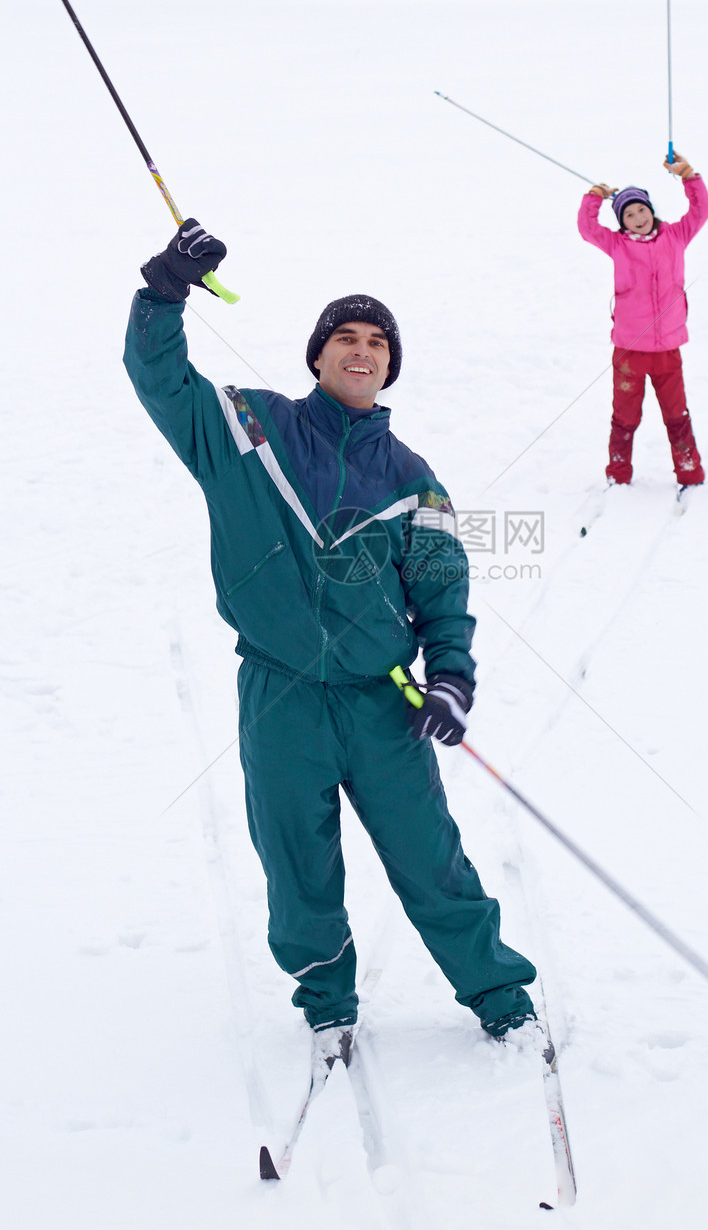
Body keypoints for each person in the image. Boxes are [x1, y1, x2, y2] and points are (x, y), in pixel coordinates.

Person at [123, 220, 536, 1046]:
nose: (361, 350)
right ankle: (328, 1006)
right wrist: (165, 291)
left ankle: (499, 994)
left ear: (390, 365)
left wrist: (449, 674)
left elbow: (443, 588)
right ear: (317, 356)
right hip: (279, 693)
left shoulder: (411, 477)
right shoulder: (249, 428)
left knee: (431, 859)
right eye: (345, 337)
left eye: (377, 341)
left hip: (380, 702)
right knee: (296, 862)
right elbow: (161, 377)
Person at [577, 153, 708, 489]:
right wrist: (595, 196)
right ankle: (618, 472)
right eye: (629, 214)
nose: (638, 217)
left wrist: (688, 175)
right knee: (624, 417)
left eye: (642, 209)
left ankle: (689, 471)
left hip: (668, 349)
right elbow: (587, 228)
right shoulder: (618, 245)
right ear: (622, 221)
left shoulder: (675, 237)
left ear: (652, 210)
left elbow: (701, 211)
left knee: (676, 415)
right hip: (629, 351)